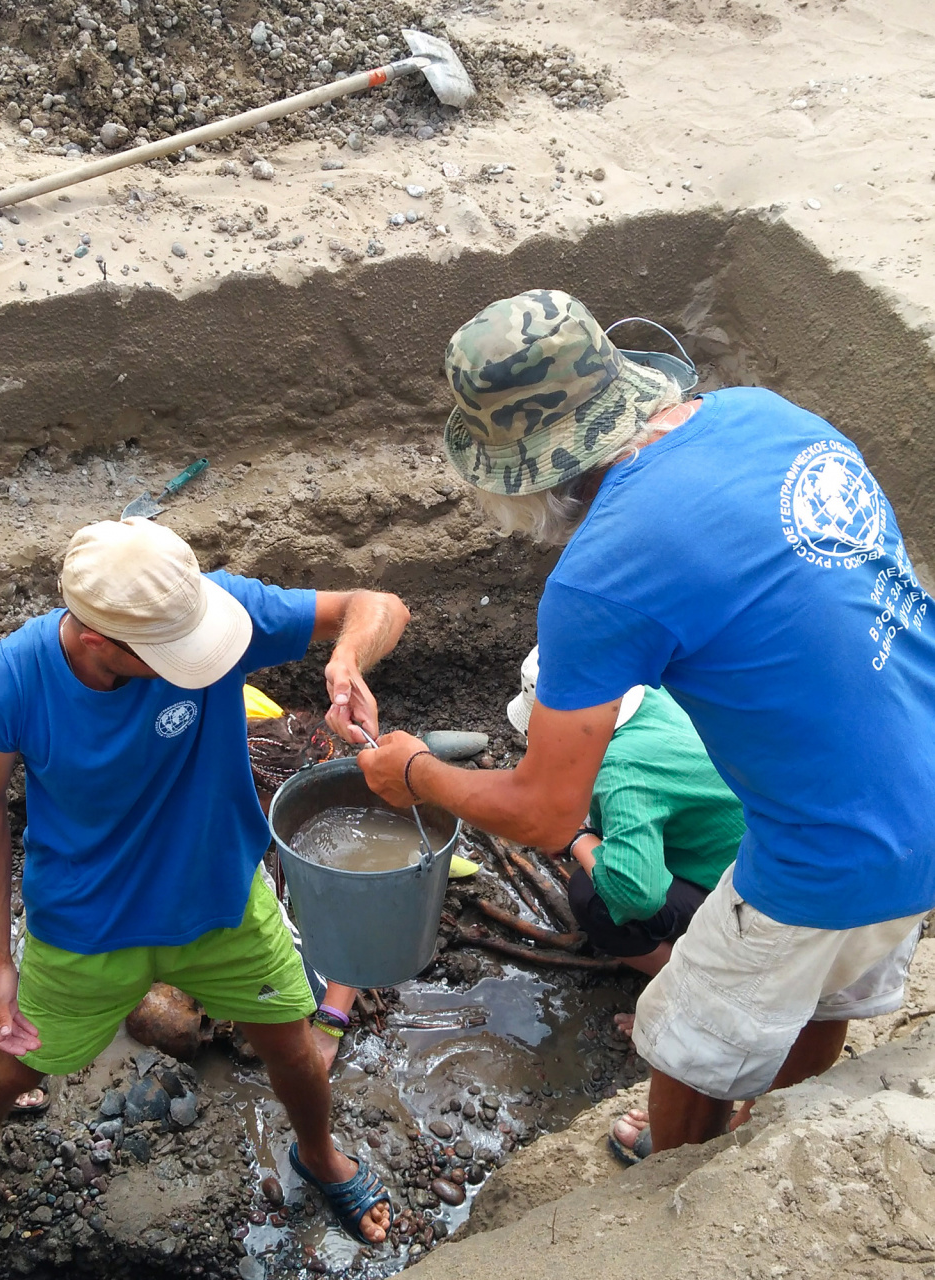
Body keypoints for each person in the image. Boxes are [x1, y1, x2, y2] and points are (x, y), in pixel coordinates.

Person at [359, 289, 935, 1159]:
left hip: (832, 845)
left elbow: (548, 814)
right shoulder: (767, 415)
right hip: (919, 773)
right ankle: (776, 1128)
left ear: (534, 474)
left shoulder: (602, 575)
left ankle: (672, 1176)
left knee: (687, 1039)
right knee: (824, 992)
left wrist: (414, 775)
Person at [0, 518, 410, 1280]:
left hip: (222, 903)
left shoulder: (216, 614)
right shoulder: (8, 683)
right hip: (85, 925)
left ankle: (318, 1153)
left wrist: (345, 662)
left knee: (292, 1049)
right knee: (13, 1063)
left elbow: (377, 603)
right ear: (101, 640)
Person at [507, 645, 746, 979]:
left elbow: (636, 896)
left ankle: (694, 992)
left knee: (590, 897)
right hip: (756, 844)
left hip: (752, 900)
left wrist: (576, 837)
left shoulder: (620, 768)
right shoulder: (655, 691)